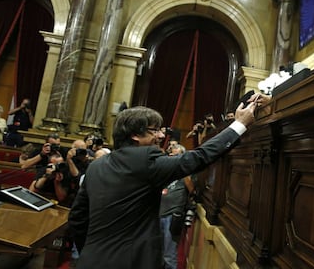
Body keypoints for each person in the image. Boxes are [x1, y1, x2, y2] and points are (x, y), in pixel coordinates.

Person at [68, 103, 256, 269]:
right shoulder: (145, 161)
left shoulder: (96, 166)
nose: (160, 135)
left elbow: (77, 218)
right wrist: (239, 125)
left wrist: (93, 251)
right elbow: (198, 158)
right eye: (154, 130)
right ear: (134, 135)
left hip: (91, 261)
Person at [160, 144, 194, 269]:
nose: (173, 158)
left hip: (172, 215)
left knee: (169, 254)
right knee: (156, 251)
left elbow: (192, 190)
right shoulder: (164, 171)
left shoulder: (186, 173)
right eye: (171, 155)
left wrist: (182, 170)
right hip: (157, 214)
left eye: (176, 155)